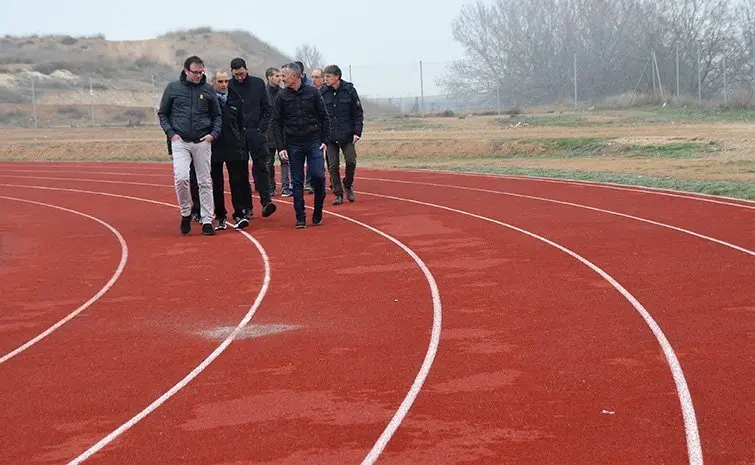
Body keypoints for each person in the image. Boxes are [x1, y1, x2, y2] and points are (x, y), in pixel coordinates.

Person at [158, 55, 222, 235]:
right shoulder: (173, 89)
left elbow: (217, 116)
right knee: (182, 178)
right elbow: (163, 114)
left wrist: (213, 134)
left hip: (202, 141)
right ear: (186, 71)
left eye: (202, 72)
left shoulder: (208, 90)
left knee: (204, 182)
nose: (199, 76)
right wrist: (171, 134)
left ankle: (207, 220)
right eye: (195, 72)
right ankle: (186, 212)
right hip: (181, 142)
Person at [271, 62, 330, 229]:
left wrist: (324, 140)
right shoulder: (281, 96)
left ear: (295, 76)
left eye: (284, 76)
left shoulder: (312, 93)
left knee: (318, 176)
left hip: (314, 141)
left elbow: (324, 116)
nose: (281, 79)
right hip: (293, 143)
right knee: (296, 181)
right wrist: (281, 147)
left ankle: (318, 210)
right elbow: (276, 122)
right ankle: (300, 217)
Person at [229, 57, 277, 220]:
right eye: (236, 75)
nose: (240, 77)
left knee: (261, 167)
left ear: (246, 70)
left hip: (256, 132)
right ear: (232, 73)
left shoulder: (257, 84)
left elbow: (267, 109)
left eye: (242, 73)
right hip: (237, 136)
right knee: (240, 172)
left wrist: (261, 128)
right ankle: (246, 207)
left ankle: (266, 202)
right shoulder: (228, 86)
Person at [209, 70, 250, 230]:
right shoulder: (208, 99)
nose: (224, 85)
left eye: (226, 81)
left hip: (233, 146)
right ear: (214, 83)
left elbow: (241, 123)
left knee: (237, 182)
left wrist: (239, 141)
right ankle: (220, 216)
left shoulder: (235, 99)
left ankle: (239, 214)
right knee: (217, 184)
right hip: (215, 147)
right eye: (220, 82)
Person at [321, 64, 364, 204]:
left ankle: (348, 184)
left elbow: (358, 113)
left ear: (337, 77)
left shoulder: (349, 91)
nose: (325, 79)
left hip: (347, 134)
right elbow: (318, 115)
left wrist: (357, 132)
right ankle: (338, 193)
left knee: (351, 161)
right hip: (330, 136)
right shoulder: (322, 92)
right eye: (325, 76)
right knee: (333, 165)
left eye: (328, 76)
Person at [264, 67, 292, 197]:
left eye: (280, 76)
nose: (279, 79)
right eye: (276, 76)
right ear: (269, 77)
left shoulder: (284, 92)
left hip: (282, 132)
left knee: (285, 160)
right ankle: (270, 187)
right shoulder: (263, 93)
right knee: (269, 161)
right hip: (267, 132)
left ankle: (286, 187)